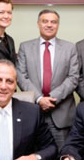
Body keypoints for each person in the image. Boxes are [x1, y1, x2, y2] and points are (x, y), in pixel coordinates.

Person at [16, 9, 79, 150]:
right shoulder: (25, 47)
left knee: (63, 159)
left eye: (53, 22)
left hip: (61, 113)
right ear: (38, 24)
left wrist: (51, 98)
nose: (49, 25)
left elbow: (73, 77)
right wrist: (39, 98)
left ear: (58, 25)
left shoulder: (70, 48)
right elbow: (21, 76)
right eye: (45, 21)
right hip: (33, 112)